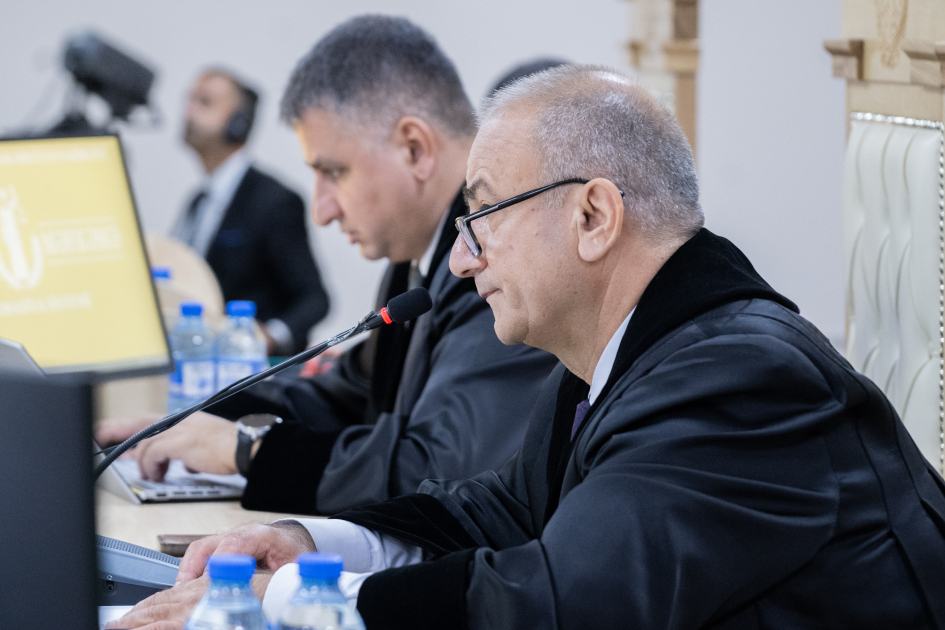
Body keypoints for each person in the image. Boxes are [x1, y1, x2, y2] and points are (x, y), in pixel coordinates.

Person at [111, 64, 945, 630]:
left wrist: (283, 601)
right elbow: (499, 514)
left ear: (592, 217)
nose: (461, 259)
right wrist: (311, 546)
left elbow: (560, 604)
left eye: (482, 216)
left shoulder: (741, 377)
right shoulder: (620, 354)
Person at [97, 17, 556, 517]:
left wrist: (248, 450)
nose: (322, 211)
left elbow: (443, 469)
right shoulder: (414, 259)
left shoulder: (491, 263)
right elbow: (347, 395)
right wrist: (195, 422)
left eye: (333, 172)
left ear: (414, 149)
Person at [174, 68, 329, 354]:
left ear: (239, 122)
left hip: (251, 370)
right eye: (189, 100)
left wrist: (267, 337)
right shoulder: (198, 201)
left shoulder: (274, 200)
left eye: (204, 103)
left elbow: (314, 299)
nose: (188, 112)